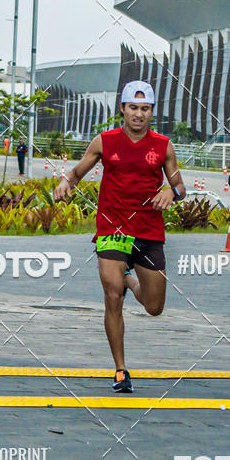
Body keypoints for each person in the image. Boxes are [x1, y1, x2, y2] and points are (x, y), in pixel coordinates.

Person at [53, 81, 186, 394]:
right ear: (122, 109)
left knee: (154, 306)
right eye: (133, 108)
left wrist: (171, 191)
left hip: (149, 231)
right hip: (112, 229)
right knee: (112, 296)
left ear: (151, 111)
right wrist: (64, 184)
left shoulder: (163, 145)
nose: (138, 114)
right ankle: (121, 369)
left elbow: (180, 187)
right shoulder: (105, 141)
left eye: (145, 108)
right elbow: (75, 174)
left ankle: (130, 279)